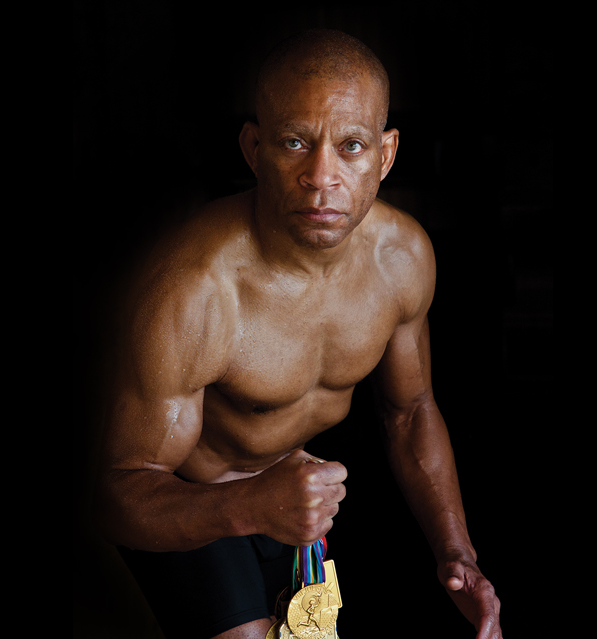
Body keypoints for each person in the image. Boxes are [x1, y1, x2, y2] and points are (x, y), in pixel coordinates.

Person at [95, 28, 502, 639]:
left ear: (386, 155)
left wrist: (458, 554)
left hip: (298, 495)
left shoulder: (403, 258)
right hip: (190, 498)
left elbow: (411, 412)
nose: (321, 177)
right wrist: (248, 506)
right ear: (254, 147)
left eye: (352, 146)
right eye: (294, 143)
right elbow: (118, 490)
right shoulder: (193, 289)